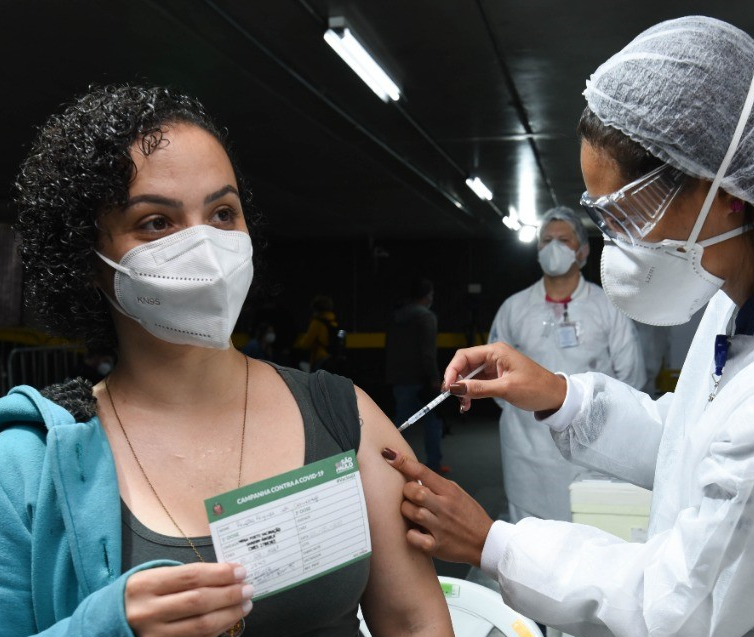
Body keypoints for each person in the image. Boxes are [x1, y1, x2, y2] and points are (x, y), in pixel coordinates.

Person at [382, 16, 754, 637]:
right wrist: (559, 394)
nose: (613, 243)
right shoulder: (738, 296)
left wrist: (493, 544)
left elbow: (676, 606)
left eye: (626, 214)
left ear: (726, 191)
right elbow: (693, 444)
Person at [1, 84, 452, 637]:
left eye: (222, 212)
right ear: (88, 259)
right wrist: (105, 627)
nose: (206, 247)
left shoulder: (342, 416)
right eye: (156, 223)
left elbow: (413, 622)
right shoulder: (27, 463)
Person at [489, 205, 645, 524]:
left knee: (590, 529)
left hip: (593, 446)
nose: (554, 247)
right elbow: (494, 376)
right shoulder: (514, 308)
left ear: (583, 251)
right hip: (527, 449)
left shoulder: (606, 306)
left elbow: (631, 376)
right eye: (546, 240)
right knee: (530, 539)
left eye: (564, 239)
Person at [385, 277, 449, 474]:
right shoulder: (426, 317)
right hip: (421, 379)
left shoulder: (396, 316)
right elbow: (428, 352)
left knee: (399, 424)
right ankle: (434, 465)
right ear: (428, 296)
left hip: (398, 376)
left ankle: (387, 462)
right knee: (433, 423)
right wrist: (435, 378)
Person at [293, 294, 340, 372]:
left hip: (320, 358)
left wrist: (297, 343)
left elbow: (306, 344)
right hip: (332, 358)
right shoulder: (333, 321)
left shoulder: (317, 322)